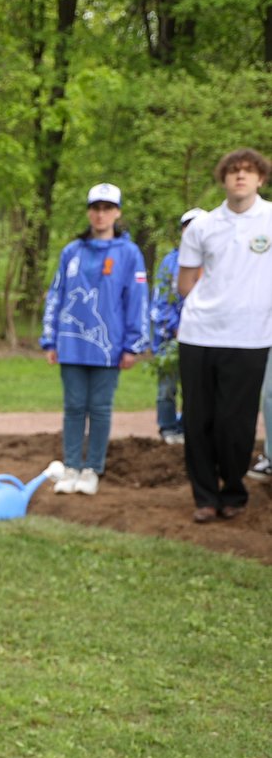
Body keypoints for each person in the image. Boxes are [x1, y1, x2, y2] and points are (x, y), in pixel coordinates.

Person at [176, 148, 272, 522]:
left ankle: (233, 491)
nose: (240, 177)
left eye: (248, 171)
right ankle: (204, 497)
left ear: (260, 179)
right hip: (199, 334)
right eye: (233, 171)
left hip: (250, 337)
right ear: (224, 179)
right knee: (198, 419)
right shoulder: (203, 225)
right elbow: (186, 283)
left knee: (236, 422)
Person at [38, 183, 149, 496]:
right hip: (71, 344)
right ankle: (72, 465)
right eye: (95, 208)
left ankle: (92, 469)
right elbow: (56, 294)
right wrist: (50, 339)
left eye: (107, 208)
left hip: (108, 348)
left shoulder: (129, 253)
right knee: (73, 407)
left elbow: (137, 299)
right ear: (89, 212)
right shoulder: (71, 251)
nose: (101, 214)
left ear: (117, 212)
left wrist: (133, 344)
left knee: (99, 408)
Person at [150, 208, 206, 444]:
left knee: (196, 387)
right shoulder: (171, 261)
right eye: (188, 226)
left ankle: (187, 427)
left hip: (203, 335)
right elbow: (162, 299)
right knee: (167, 386)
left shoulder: (215, 260)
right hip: (170, 336)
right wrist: (174, 326)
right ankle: (167, 427)